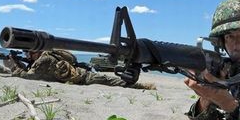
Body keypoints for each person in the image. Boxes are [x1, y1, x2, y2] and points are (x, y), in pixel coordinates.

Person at [10, 49, 155, 90]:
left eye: (27, 52)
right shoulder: (46, 57)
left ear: (36, 52)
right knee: (110, 81)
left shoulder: (43, 60)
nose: (26, 55)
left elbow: (29, 76)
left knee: (113, 81)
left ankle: (143, 86)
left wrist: (14, 67)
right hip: (81, 77)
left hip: (84, 78)